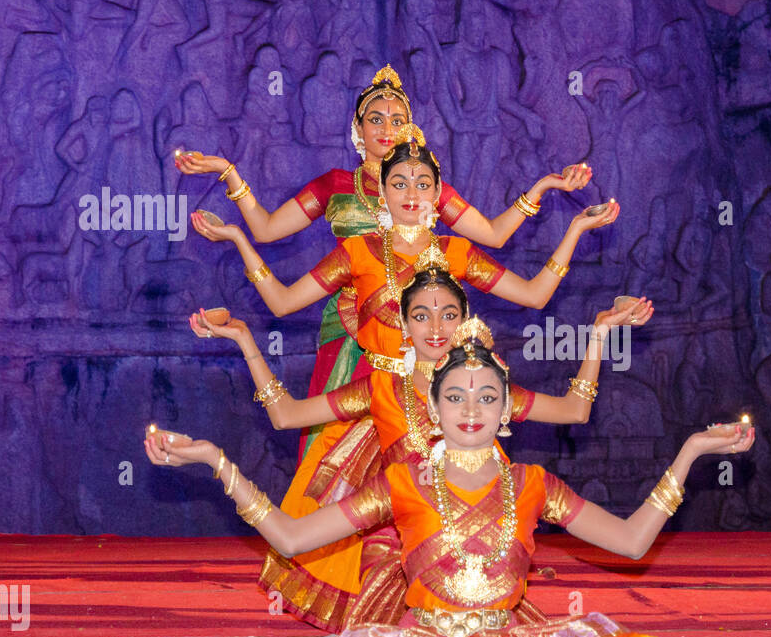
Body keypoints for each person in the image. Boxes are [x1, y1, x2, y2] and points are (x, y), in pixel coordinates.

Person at [144, 341, 755, 637]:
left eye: (487, 396)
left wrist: (692, 451)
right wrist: (217, 462)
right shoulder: (401, 483)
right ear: (434, 409)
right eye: (456, 396)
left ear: (506, 411)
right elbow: (294, 537)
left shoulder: (533, 482)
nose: (471, 407)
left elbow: (630, 543)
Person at [187, 270, 653, 630]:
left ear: (465, 318)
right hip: (398, 536)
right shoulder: (381, 389)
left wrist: (598, 336)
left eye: (449, 314)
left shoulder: (486, 384)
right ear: (404, 325)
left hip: (484, 529)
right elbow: (286, 415)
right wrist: (246, 341)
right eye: (421, 316)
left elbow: (573, 410)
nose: (436, 328)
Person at [175, 64, 592, 458]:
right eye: (376, 119)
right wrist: (230, 177)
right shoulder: (338, 190)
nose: (387, 129)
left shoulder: (443, 225)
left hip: (429, 340)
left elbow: (499, 240)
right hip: (351, 333)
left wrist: (544, 193)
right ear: (357, 129)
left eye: (397, 120)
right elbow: (266, 234)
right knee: (333, 442)